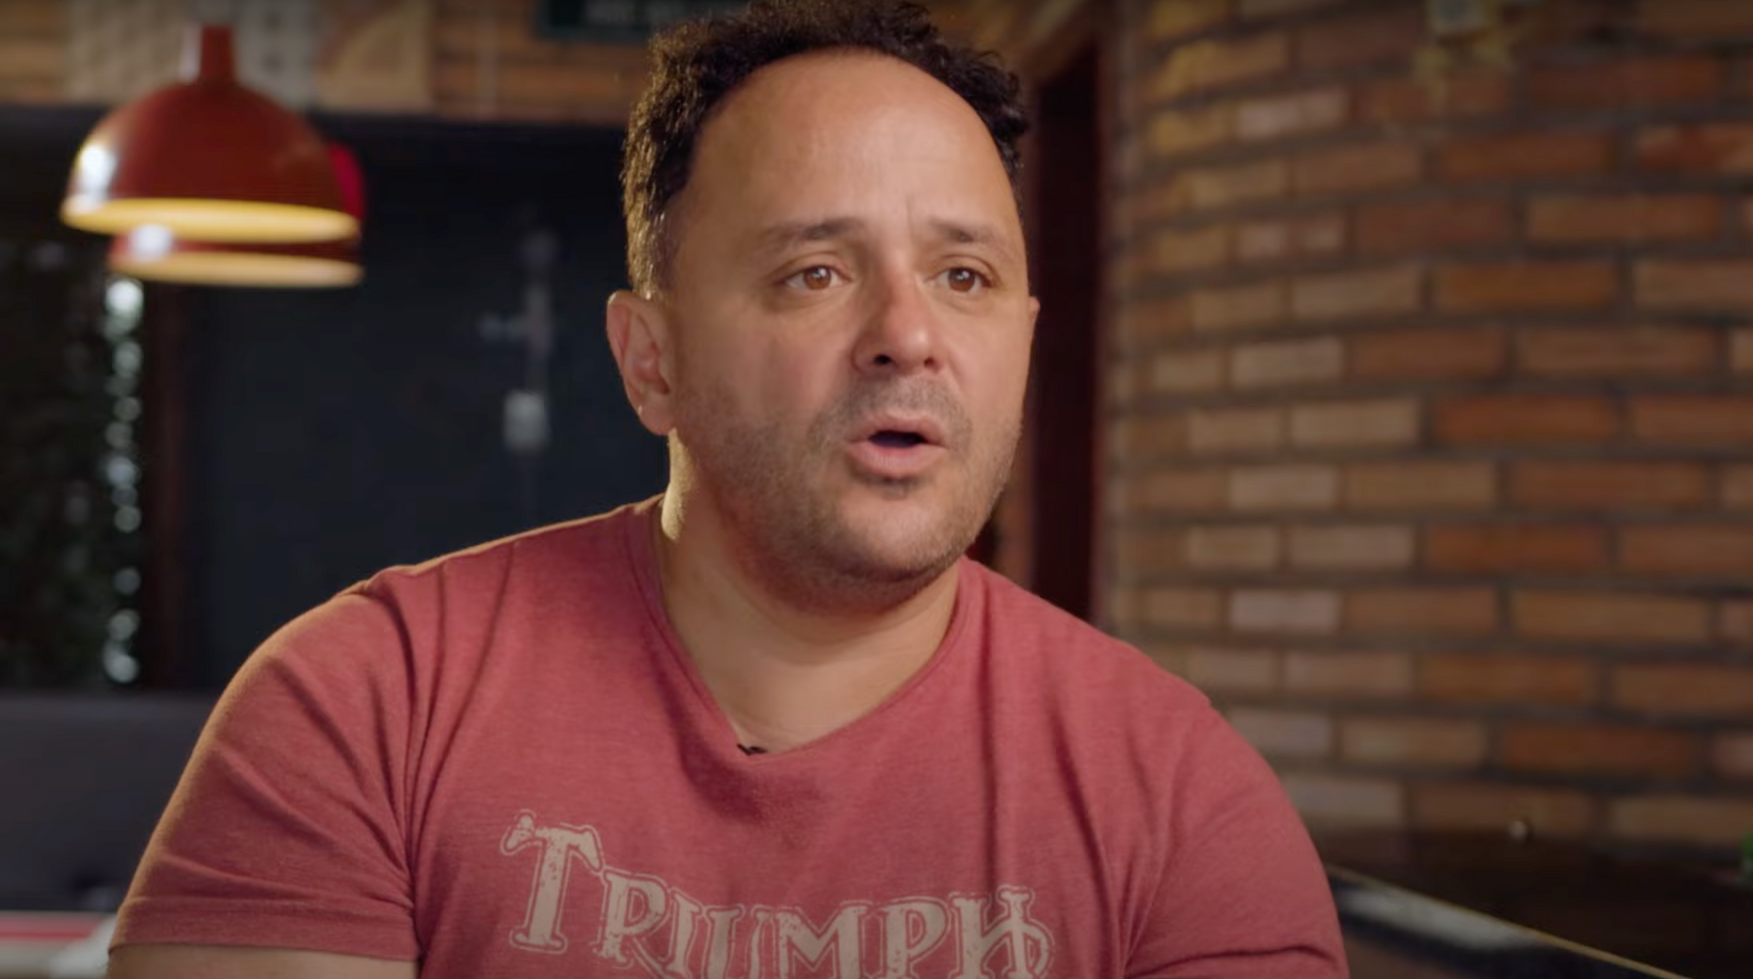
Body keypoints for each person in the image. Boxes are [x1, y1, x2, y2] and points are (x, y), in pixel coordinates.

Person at [106, 1, 1347, 976]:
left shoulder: (1181, 797)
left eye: (964, 276)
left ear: (1025, 333)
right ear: (653, 361)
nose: (907, 335)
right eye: (815, 271)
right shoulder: (366, 707)